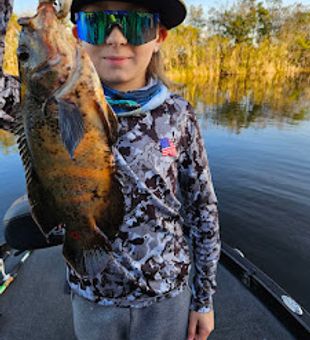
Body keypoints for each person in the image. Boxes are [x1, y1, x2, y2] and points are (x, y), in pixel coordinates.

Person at [0, 0, 221, 339]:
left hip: (166, 295)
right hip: (92, 296)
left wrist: (203, 299)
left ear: (159, 37)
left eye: (135, 25)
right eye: (98, 25)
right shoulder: (37, 101)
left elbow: (201, 208)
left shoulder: (178, 114)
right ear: (77, 35)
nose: (116, 38)